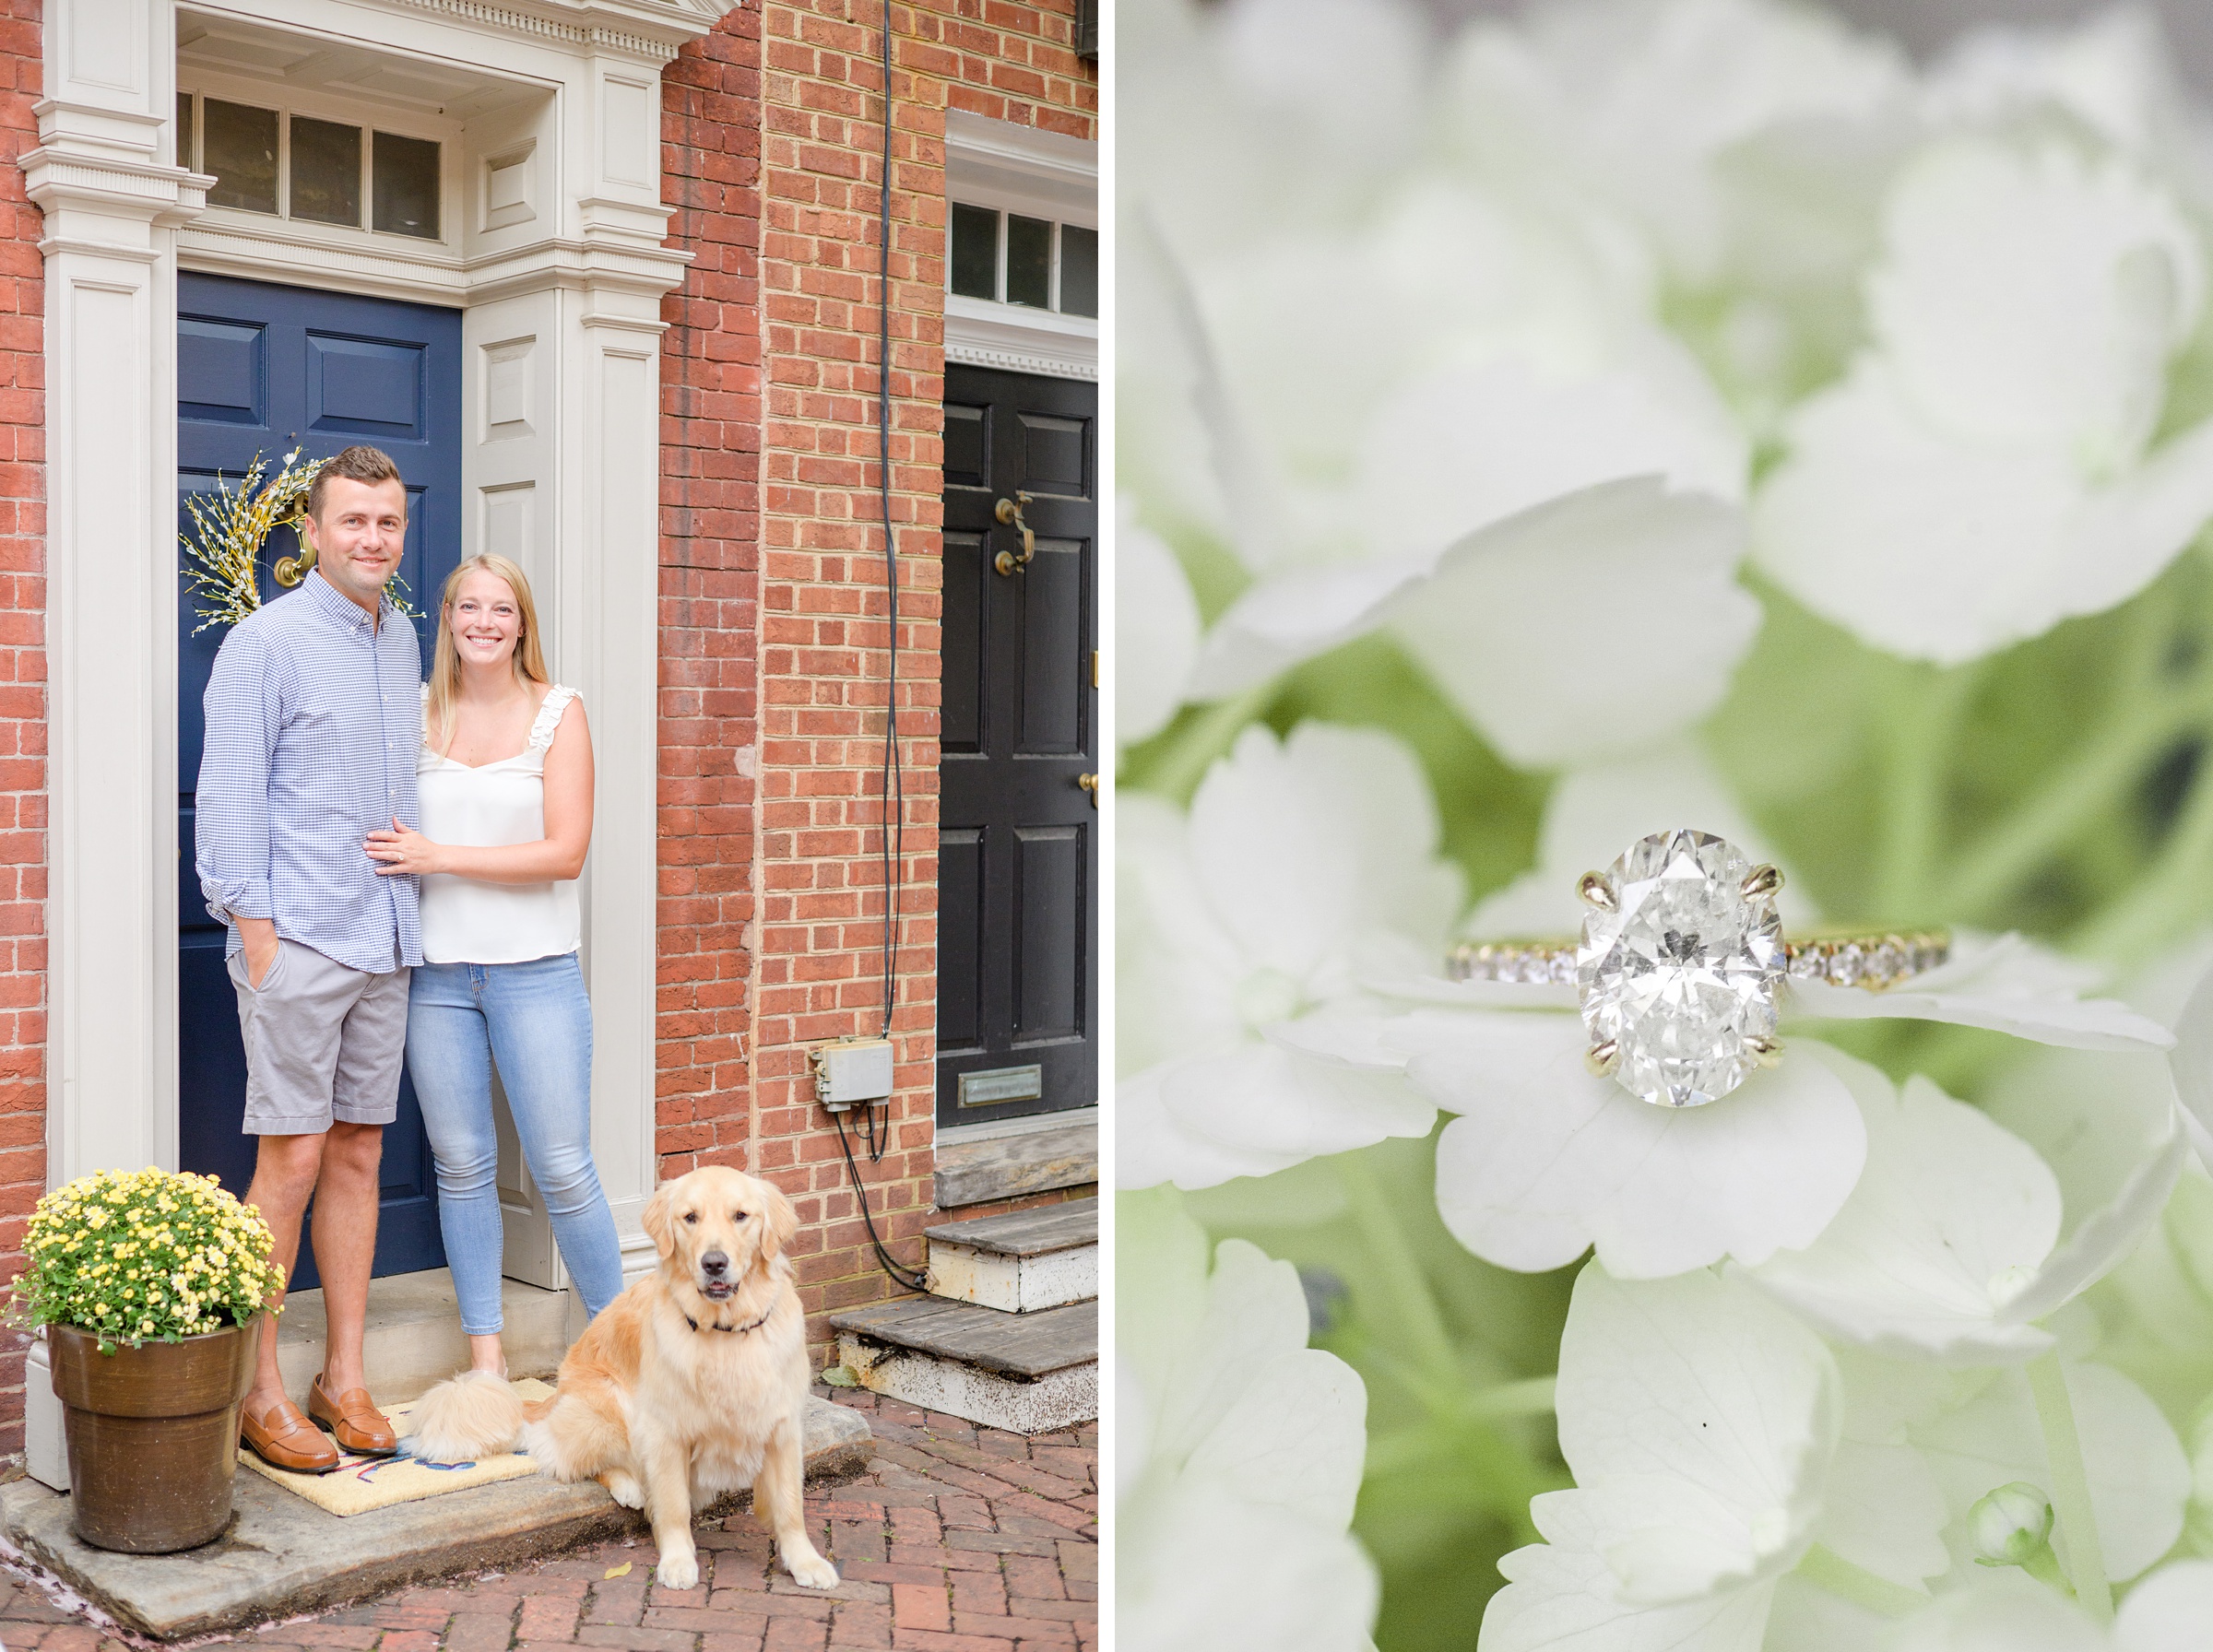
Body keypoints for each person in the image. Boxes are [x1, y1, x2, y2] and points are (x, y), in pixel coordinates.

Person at [197, 443, 420, 1474]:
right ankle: (258, 1389)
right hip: (300, 943)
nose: (371, 538)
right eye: (353, 522)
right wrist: (259, 941)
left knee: (360, 1152)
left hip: (385, 939)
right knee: (286, 1160)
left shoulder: (403, 638)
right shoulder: (266, 643)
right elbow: (230, 799)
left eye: (387, 523)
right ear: (315, 533)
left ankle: (345, 1377)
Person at [365, 554, 625, 1381]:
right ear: (446, 618)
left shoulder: (560, 713)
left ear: (522, 624)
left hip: (536, 973)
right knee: (463, 1166)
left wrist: (438, 854)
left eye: (500, 609)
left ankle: (628, 1356)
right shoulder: (410, 717)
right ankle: (488, 1361)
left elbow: (565, 853)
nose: (483, 622)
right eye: (468, 606)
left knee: (561, 1167)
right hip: (437, 979)